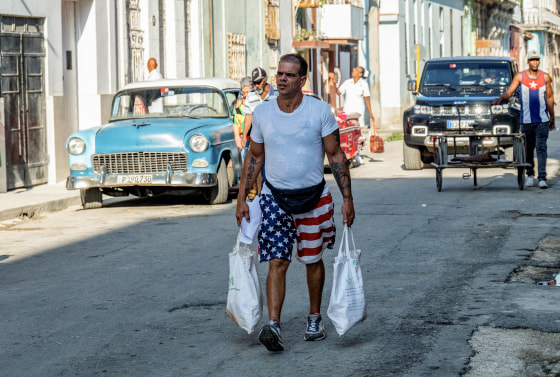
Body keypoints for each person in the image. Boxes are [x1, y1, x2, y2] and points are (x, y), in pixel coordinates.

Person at [235, 53, 355, 352]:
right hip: (274, 197)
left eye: (289, 75)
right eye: (280, 74)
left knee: (312, 260)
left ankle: (314, 317)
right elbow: (255, 156)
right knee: (277, 260)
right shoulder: (263, 114)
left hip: (314, 197)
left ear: (303, 80)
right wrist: (241, 198)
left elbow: (336, 155)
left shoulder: (319, 111)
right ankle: (274, 325)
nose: (282, 79)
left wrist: (347, 199)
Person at [493, 50, 555, 189]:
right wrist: (501, 99)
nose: (535, 62)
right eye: (532, 59)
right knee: (528, 149)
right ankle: (530, 175)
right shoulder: (521, 76)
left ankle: (542, 178)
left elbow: (549, 97)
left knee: (541, 148)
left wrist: (552, 117)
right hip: (526, 121)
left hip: (542, 120)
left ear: (539, 61)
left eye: (537, 59)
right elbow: (510, 92)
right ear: (528, 61)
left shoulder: (545, 77)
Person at [240, 67, 278, 197]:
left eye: (259, 82)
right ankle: (261, 194)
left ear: (265, 79)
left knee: (270, 167)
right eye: (254, 83)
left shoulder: (276, 94)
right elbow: (248, 116)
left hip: (274, 139)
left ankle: (270, 193)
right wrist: (244, 135)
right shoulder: (251, 95)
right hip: (257, 138)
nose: (256, 85)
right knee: (257, 166)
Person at [232, 77, 253, 162]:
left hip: (255, 138)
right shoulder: (238, 106)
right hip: (243, 138)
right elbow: (235, 122)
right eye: (243, 92)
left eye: (248, 92)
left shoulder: (256, 102)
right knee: (245, 162)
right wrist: (237, 138)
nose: (246, 95)